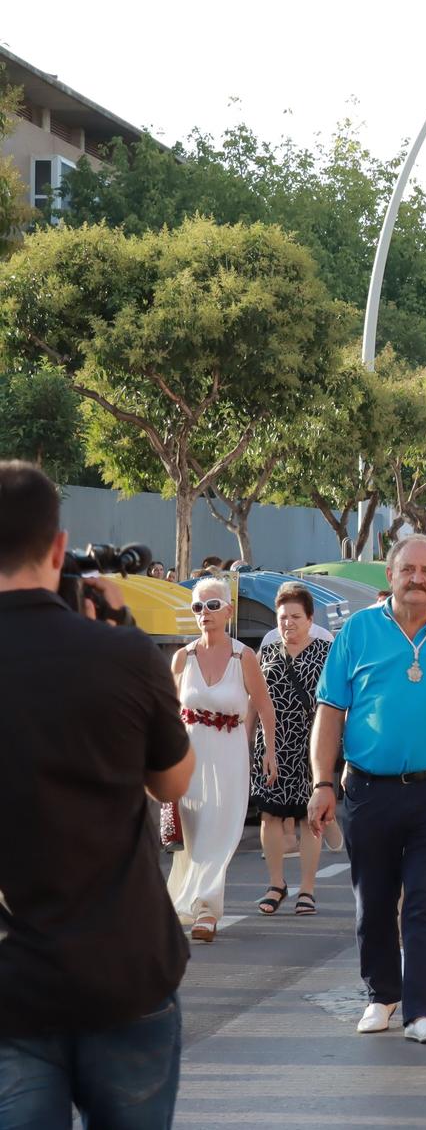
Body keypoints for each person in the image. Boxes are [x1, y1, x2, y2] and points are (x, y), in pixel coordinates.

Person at [0, 461, 193, 1128]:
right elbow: (172, 781)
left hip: (11, 981)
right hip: (125, 966)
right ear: (58, 547)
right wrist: (125, 647)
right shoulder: (126, 655)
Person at [308, 534, 426, 1044]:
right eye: (407, 569)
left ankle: (421, 1011)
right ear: (389, 575)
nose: (417, 579)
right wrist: (323, 781)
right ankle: (380, 996)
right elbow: (329, 712)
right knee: (376, 900)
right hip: (369, 790)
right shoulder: (357, 631)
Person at [170, 576, 279, 939]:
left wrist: (269, 751)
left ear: (228, 611)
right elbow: (168, 712)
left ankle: (207, 910)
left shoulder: (243, 656)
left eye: (213, 605)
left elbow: (264, 707)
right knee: (195, 834)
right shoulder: (181, 658)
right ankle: (192, 901)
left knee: (223, 831)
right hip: (189, 757)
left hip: (230, 754)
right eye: (198, 607)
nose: (205, 613)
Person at [254, 582, 330, 918]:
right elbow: (252, 704)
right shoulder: (266, 653)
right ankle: (276, 883)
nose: (288, 623)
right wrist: (248, 746)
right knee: (270, 815)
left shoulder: (326, 653)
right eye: (283, 616)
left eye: (295, 616)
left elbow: (336, 705)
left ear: (310, 618)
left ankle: (307, 889)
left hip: (311, 745)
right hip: (272, 745)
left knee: (308, 818)